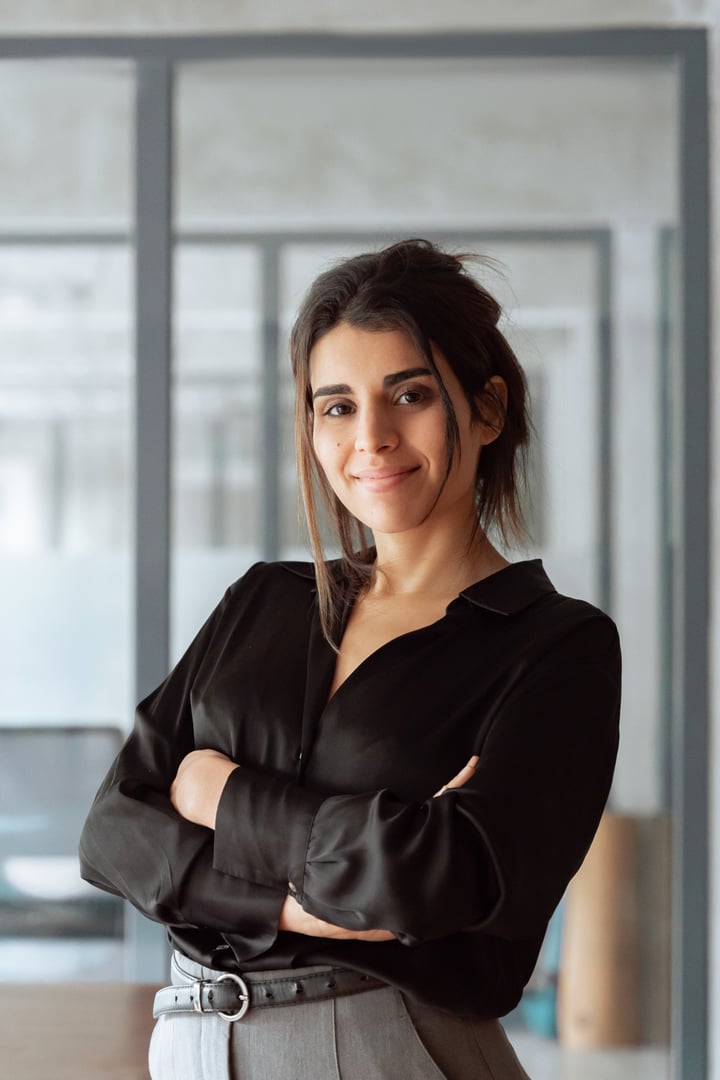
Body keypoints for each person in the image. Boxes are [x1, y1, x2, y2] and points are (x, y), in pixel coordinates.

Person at [80, 238, 621, 1079]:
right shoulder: (263, 600)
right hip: (190, 1036)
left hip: (380, 1044)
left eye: (407, 394)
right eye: (336, 406)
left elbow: (433, 880)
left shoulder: (557, 646)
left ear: (486, 409)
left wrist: (222, 795)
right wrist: (304, 900)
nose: (371, 438)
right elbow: (113, 831)